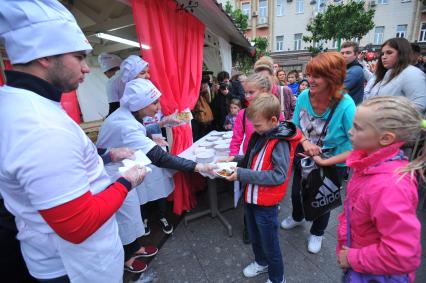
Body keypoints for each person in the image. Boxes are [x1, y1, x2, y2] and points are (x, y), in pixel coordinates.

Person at [0, 1, 147, 282]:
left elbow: (58, 164)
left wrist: (106, 155)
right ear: (44, 55)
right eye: (79, 57)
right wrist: (127, 181)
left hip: (50, 255)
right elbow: (79, 225)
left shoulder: (19, 102)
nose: (86, 68)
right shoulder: (41, 127)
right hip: (76, 266)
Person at [96, 77, 215, 237]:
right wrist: (198, 166)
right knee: (127, 220)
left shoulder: (127, 114)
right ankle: (131, 253)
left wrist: (153, 135)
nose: (158, 107)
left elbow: (138, 131)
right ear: (140, 105)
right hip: (113, 174)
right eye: (154, 103)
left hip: (121, 165)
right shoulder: (125, 124)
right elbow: (161, 158)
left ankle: (135, 247)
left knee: (132, 213)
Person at [337, 96, 421, 282]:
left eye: (358, 128)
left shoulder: (389, 187)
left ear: (385, 138)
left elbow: (402, 255)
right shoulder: (369, 165)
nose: (350, 132)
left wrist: (352, 258)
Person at [280, 52, 356, 254]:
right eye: (309, 74)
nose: (309, 80)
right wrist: (305, 142)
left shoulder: (346, 105)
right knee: (296, 193)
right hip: (304, 157)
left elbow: (357, 146)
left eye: (317, 76)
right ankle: (297, 217)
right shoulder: (305, 96)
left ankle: (318, 232)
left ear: (332, 78)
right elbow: (294, 126)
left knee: (324, 200)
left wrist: (324, 161)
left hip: (333, 163)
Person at [223, 93, 301, 283]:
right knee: (256, 236)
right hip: (251, 197)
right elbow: (252, 159)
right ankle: (261, 262)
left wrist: (241, 174)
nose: (255, 129)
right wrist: (233, 160)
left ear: (273, 120)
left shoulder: (279, 142)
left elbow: (279, 176)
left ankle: (277, 277)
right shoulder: (261, 135)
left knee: (270, 242)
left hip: (266, 203)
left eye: (257, 125)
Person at [364, 37, 426, 112]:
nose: (384, 57)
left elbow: (419, 106)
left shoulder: (413, 73)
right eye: (382, 53)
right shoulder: (387, 72)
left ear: (402, 53)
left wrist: (387, 115)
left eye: (389, 52)